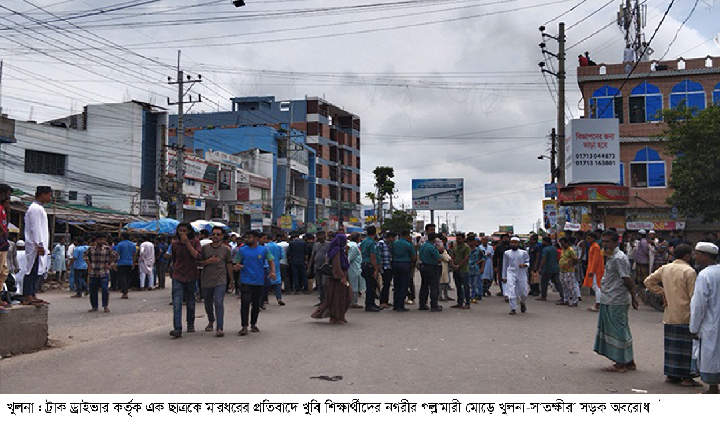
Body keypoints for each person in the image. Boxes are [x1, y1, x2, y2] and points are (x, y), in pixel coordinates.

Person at [643, 244, 700, 387]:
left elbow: (648, 282)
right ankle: (687, 377)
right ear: (687, 256)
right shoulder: (689, 271)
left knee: (672, 347)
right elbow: (693, 296)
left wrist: (662, 293)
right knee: (686, 348)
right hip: (686, 315)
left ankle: (672, 374)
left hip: (669, 315)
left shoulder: (665, 268)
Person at [594, 230, 638, 373]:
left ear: (614, 242)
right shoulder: (611, 256)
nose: (604, 244)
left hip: (616, 299)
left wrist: (633, 295)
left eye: (607, 241)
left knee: (618, 329)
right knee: (622, 329)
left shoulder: (619, 258)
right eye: (603, 241)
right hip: (609, 297)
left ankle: (620, 363)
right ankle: (629, 361)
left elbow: (626, 278)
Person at [690, 242, 720, 394]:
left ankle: (713, 389)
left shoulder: (705, 275)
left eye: (696, 254)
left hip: (711, 323)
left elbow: (698, 304)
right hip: (714, 321)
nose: (694, 257)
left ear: (705, 256)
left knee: (712, 356)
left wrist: (693, 327)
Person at [235, 230, 276, 336]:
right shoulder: (242, 250)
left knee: (256, 305)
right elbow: (237, 262)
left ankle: (253, 324)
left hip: (259, 281)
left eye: (250, 237)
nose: (247, 239)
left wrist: (272, 272)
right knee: (245, 303)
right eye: (246, 237)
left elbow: (271, 260)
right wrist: (237, 266)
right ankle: (244, 326)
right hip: (246, 281)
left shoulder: (264, 250)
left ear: (256, 239)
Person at [198, 227, 233, 338]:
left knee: (218, 302)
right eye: (214, 234)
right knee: (208, 303)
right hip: (206, 280)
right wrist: (208, 261)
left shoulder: (226, 249)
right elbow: (198, 263)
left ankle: (220, 328)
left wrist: (232, 280)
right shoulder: (204, 249)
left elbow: (229, 264)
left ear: (222, 236)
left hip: (220, 280)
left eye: (218, 234)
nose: (216, 236)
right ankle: (211, 320)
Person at [312, 234, 353, 324]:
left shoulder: (340, 250)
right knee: (337, 298)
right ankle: (335, 317)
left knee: (344, 297)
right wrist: (341, 277)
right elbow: (336, 264)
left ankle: (341, 316)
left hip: (341, 276)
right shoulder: (336, 250)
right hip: (338, 278)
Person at [169, 222, 201, 339]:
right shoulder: (175, 244)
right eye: (180, 230)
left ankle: (190, 323)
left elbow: (196, 255)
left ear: (189, 231)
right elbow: (174, 258)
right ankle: (177, 328)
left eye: (184, 230)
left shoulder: (195, 242)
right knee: (177, 302)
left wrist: (187, 242)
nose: (182, 233)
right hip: (178, 274)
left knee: (190, 301)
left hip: (191, 274)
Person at [22, 186, 52, 306]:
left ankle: (33, 294)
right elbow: (36, 228)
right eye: (49, 195)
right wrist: (39, 244)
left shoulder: (39, 208)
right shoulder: (35, 209)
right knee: (31, 270)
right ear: (43, 194)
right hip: (35, 245)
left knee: (37, 271)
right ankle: (28, 296)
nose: (50, 198)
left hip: (39, 245)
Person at [83, 233, 119, 313]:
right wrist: (88, 264)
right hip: (93, 272)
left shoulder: (107, 249)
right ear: (96, 240)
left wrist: (110, 264)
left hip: (104, 272)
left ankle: (105, 306)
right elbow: (85, 255)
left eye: (103, 239)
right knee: (93, 290)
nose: (102, 241)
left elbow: (116, 256)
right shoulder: (90, 249)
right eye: (100, 239)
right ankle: (94, 306)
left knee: (105, 289)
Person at [502, 237, 530, 315]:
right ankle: (513, 308)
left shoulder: (523, 253)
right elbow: (505, 265)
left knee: (523, 291)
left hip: (521, 273)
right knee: (511, 291)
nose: (514, 244)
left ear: (518, 243)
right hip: (510, 273)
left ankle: (522, 303)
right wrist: (504, 277)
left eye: (515, 242)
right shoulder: (506, 253)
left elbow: (528, 262)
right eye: (512, 242)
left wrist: (525, 265)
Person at [418, 232, 442, 312]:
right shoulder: (432, 248)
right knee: (434, 286)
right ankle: (434, 305)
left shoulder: (422, 246)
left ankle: (422, 304)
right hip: (432, 267)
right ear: (435, 239)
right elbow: (438, 258)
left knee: (424, 286)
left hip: (423, 266)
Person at [392, 229, 415, 312]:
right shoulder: (408, 244)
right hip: (405, 264)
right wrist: (411, 264)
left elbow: (392, 253)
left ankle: (395, 304)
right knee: (404, 285)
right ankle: (400, 305)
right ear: (407, 235)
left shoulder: (395, 243)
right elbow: (413, 256)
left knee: (397, 285)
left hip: (396, 264)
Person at [360, 226, 381, 312]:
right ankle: (369, 304)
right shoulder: (372, 243)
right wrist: (376, 269)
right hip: (370, 265)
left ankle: (372, 303)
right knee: (371, 285)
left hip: (364, 264)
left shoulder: (364, 242)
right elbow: (373, 257)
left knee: (370, 285)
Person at [537, 236, 563, 303]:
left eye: (543, 241)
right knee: (557, 283)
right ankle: (563, 296)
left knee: (544, 282)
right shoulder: (554, 248)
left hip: (547, 268)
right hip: (555, 268)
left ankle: (543, 296)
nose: (542, 243)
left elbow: (544, 259)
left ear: (546, 242)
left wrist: (540, 267)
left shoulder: (545, 249)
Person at [583, 232, 604, 312]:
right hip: (595, 269)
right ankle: (598, 303)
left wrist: (592, 271)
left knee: (596, 286)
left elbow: (595, 260)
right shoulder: (593, 246)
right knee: (596, 286)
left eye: (589, 238)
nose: (587, 240)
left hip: (595, 270)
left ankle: (598, 304)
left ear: (594, 238)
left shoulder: (595, 247)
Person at [264, 234, 285, 306]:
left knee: (266, 282)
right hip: (276, 265)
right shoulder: (278, 246)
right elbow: (281, 256)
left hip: (266, 265)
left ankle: (265, 299)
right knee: (278, 281)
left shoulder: (264, 246)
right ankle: (279, 298)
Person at [451, 232, 471, 310]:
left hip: (463, 269)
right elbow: (452, 256)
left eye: (459, 239)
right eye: (457, 238)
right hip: (456, 269)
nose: (457, 240)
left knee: (465, 287)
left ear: (463, 239)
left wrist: (458, 265)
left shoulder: (466, 247)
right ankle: (460, 302)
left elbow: (466, 258)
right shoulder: (455, 246)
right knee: (458, 286)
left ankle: (467, 303)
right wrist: (453, 265)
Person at [308, 231, 328, 306]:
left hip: (325, 268)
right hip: (317, 267)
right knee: (319, 284)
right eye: (318, 236)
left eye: (320, 236)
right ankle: (322, 300)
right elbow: (312, 256)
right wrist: (309, 267)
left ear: (324, 236)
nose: (319, 237)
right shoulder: (315, 245)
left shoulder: (329, 244)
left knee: (324, 283)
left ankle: (327, 300)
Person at [114, 233, 136, 299]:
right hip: (129, 262)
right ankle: (126, 290)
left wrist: (115, 263)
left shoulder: (120, 244)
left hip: (121, 263)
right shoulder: (132, 244)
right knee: (128, 277)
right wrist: (133, 262)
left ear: (122, 237)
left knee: (122, 277)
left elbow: (117, 254)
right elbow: (134, 254)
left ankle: (124, 292)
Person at [559, 237, 580, 307]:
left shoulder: (571, 250)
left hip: (569, 271)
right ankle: (566, 300)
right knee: (564, 286)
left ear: (567, 243)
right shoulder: (563, 250)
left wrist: (571, 265)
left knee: (571, 286)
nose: (562, 245)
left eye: (563, 243)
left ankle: (575, 301)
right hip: (563, 271)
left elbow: (576, 259)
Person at [377, 232, 395, 308]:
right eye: (393, 238)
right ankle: (382, 301)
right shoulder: (381, 243)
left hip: (389, 266)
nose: (394, 240)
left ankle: (385, 301)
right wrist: (379, 267)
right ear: (390, 237)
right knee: (385, 284)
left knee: (387, 284)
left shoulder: (388, 244)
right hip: (384, 266)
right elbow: (378, 255)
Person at [347, 233, 363, 308]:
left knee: (353, 285)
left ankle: (351, 301)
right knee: (354, 285)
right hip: (353, 268)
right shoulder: (354, 246)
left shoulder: (350, 245)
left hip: (353, 268)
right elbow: (350, 258)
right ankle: (353, 302)